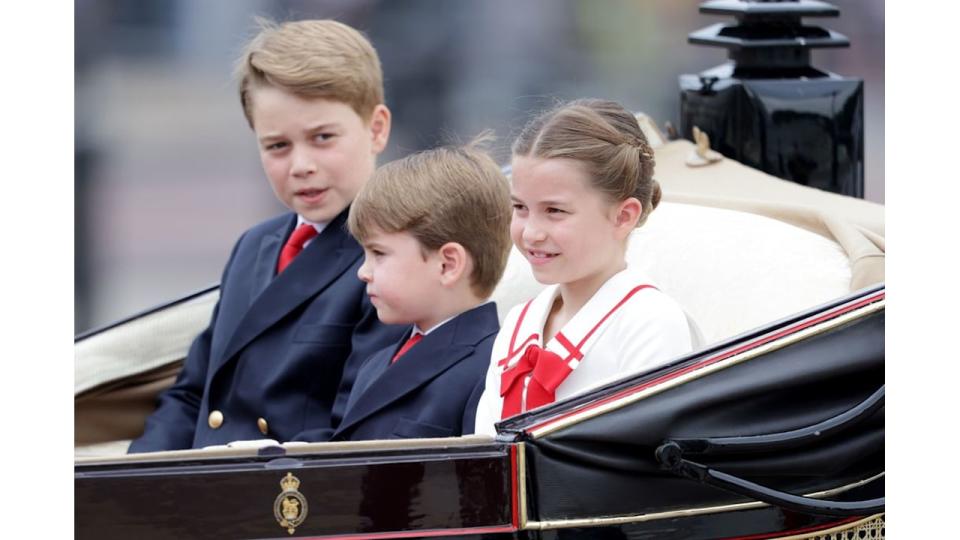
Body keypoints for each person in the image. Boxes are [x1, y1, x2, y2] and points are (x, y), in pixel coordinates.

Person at [128, 19, 407, 453]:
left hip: (282, 496)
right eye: (277, 146)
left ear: (376, 129)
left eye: (322, 138)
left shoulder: (394, 256)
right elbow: (193, 393)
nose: (300, 165)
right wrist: (135, 482)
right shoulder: (255, 246)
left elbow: (356, 430)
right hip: (197, 491)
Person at [473, 99, 698, 435]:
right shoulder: (519, 323)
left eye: (555, 211)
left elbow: (647, 470)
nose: (531, 232)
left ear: (624, 216)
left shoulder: (650, 323)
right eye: (520, 207)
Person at [321, 142, 511, 441]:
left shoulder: (494, 369)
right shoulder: (375, 363)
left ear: (448, 264)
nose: (363, 271)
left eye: (379, 253)